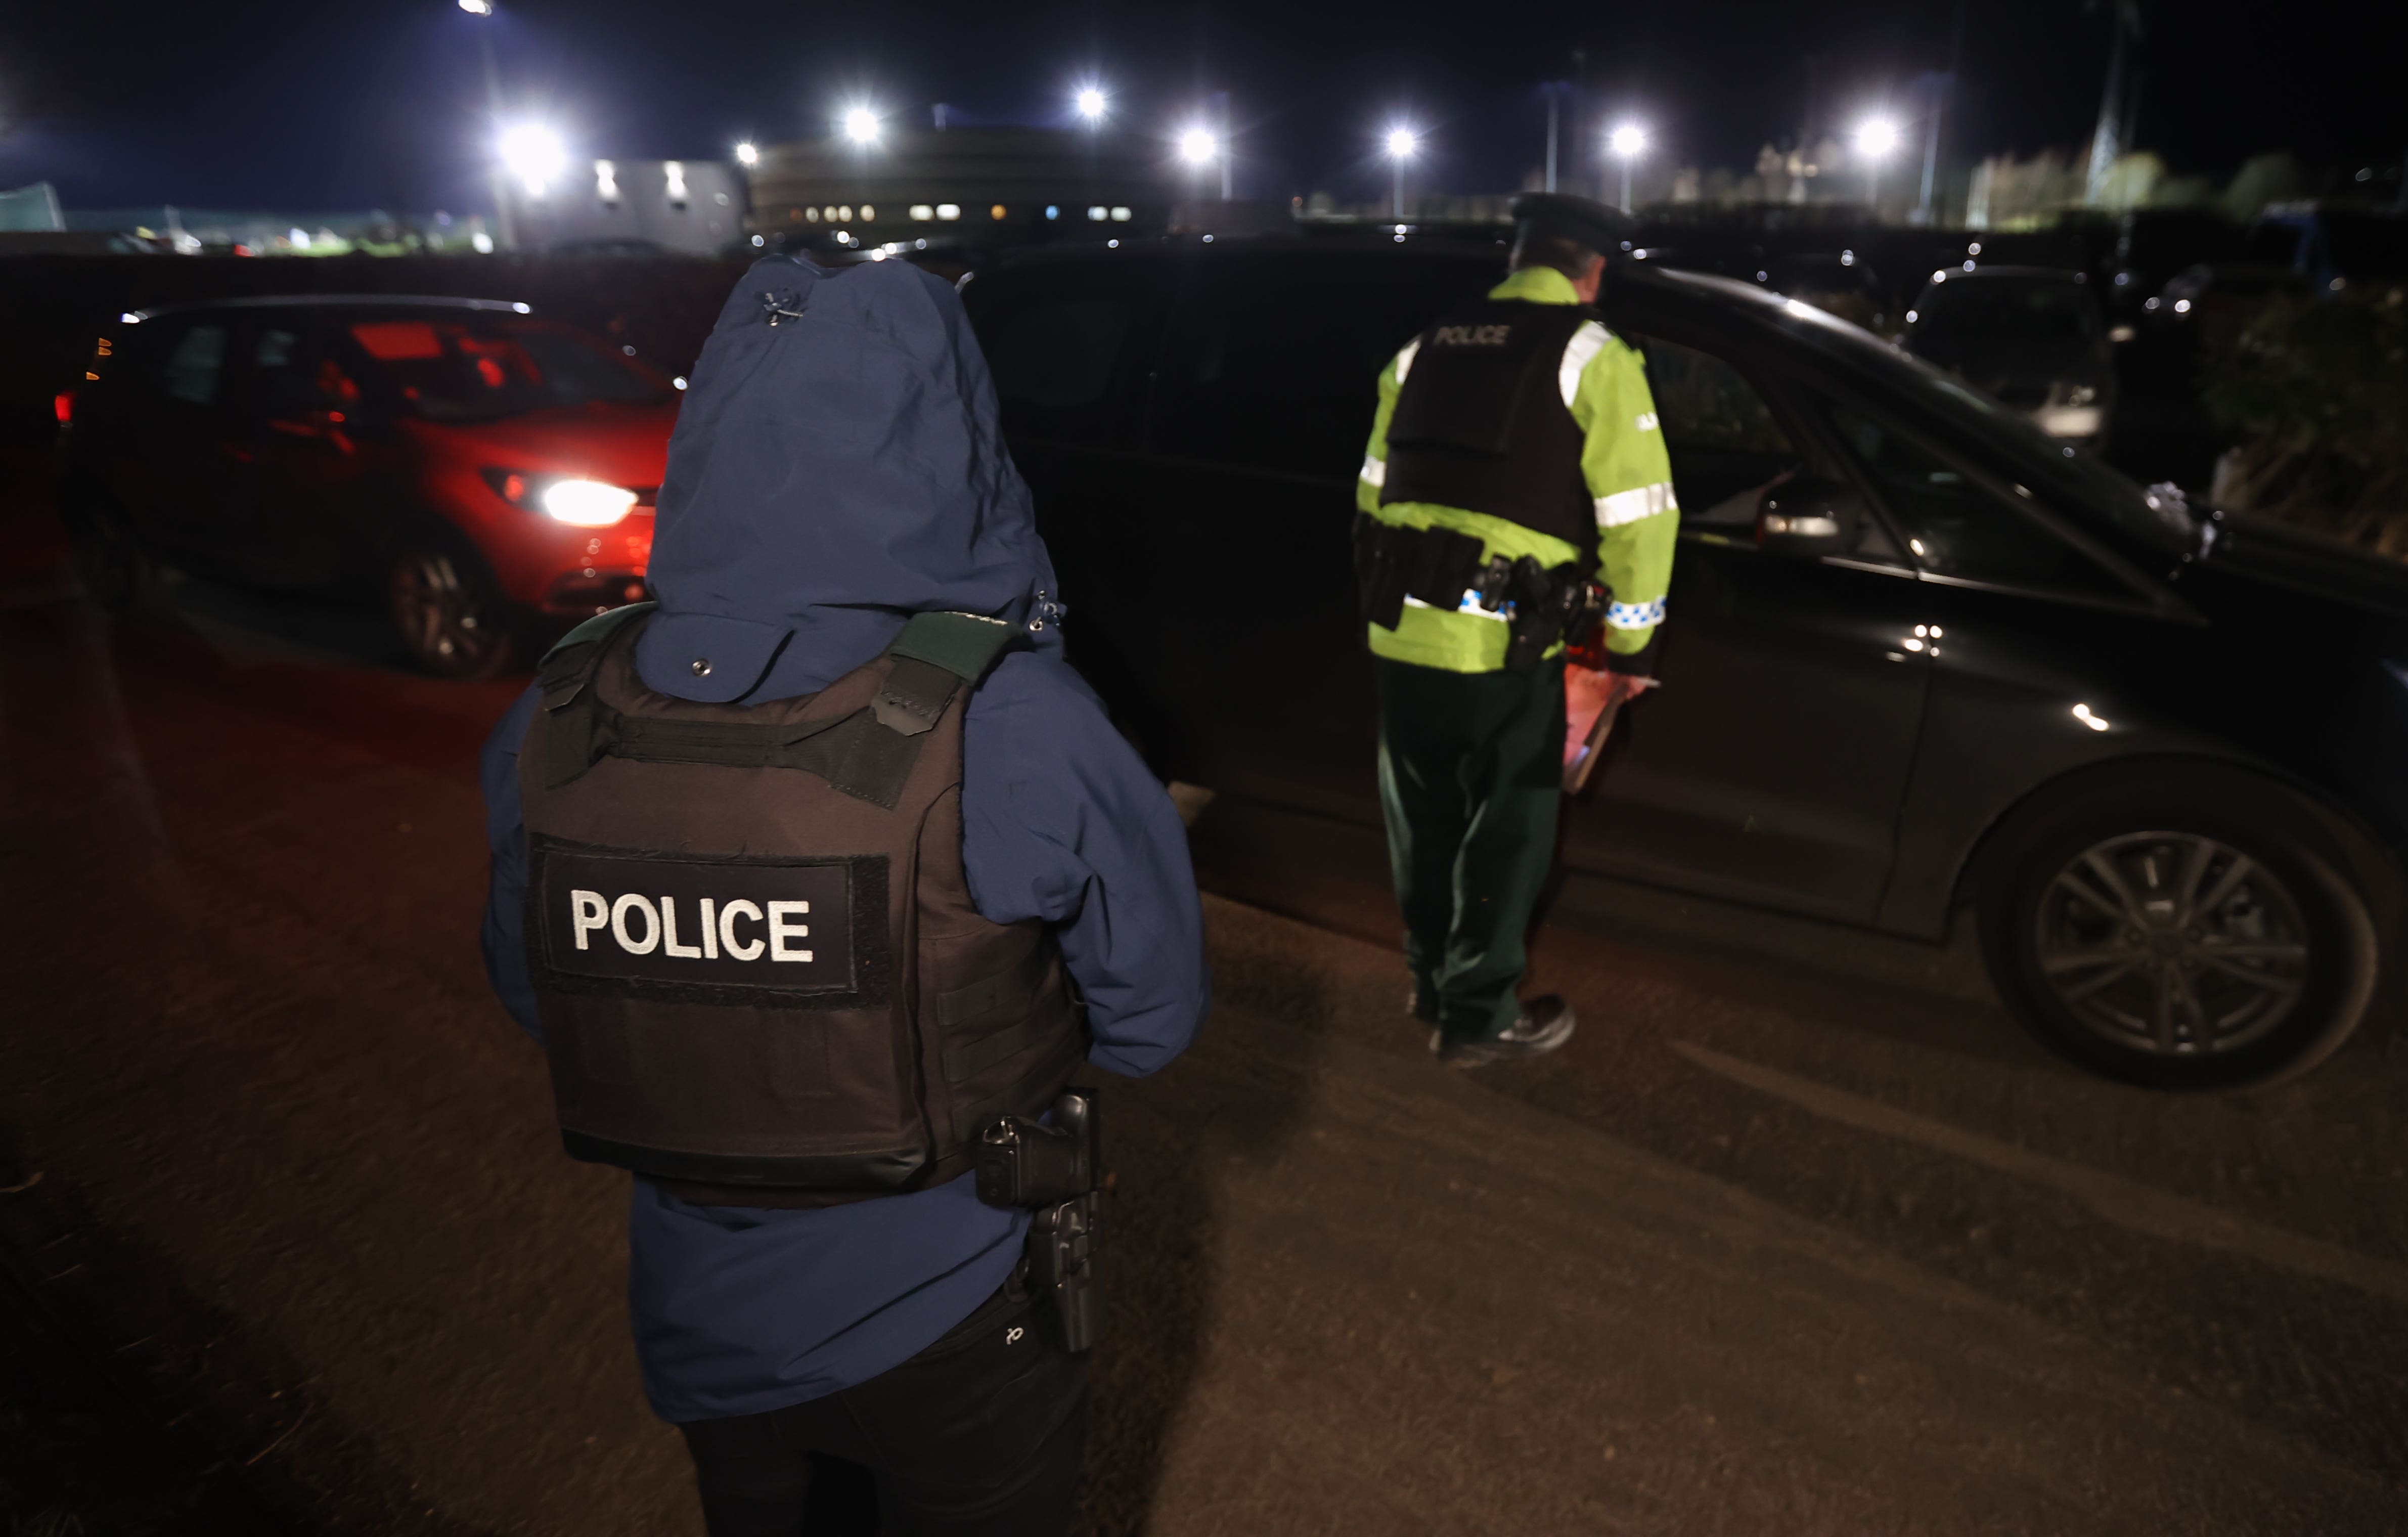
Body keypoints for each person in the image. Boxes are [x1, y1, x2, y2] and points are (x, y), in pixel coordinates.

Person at [478, 254, 1208, 1535]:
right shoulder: (1016, 721)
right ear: (955, 434)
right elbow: (1154, 1021)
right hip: (965, 1314)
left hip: (703, 1318)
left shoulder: (560, 712)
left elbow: (541, 998)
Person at [1351, 194, 1677, 1066]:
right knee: (1507, 829)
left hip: (1401, 636)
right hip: (1501, 646)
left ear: (1516, 258)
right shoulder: (1591, 352)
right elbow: (1642, 519)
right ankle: (1479, 1015)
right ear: (1593, 272)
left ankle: (1431, 981)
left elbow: (1373, 494)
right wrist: (1631, 649)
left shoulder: (1424, 347)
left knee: (1423, 821)